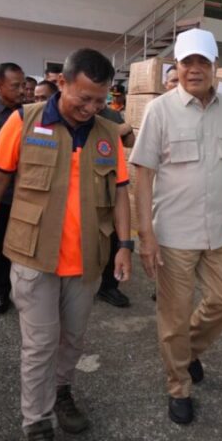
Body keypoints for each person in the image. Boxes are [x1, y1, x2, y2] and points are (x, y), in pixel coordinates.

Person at [0, 48, 132, 441]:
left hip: (87, 258)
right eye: (83, 98)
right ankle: (37, 423)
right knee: (39, 344)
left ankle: (61, 391)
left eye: (100, 100)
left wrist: (125, 246)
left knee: (72, 339)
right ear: (62, 83)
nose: (91, 108)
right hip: (34, 255)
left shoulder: (108, 135)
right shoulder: (23, 121)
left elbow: (121, 194)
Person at [130, 28, 222, 425]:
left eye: (203, 62)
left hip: (218, 230)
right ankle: (178, 384)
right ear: (177, 67)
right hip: (174, 236)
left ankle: (188, 351)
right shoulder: (160, 111)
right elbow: (143, 174)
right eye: (187, 62)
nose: (194, 70)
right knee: (174, 315)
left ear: (215, 67)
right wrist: (144, 234)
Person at [0, 62, 27, 314]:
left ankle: (23, 293)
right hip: (0, 195)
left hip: (26, 195)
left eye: (24, 85)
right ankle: (0, 293)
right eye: (15, 85)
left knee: (24, 248)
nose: (22, 90)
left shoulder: (31, 113)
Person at [94, 95, 135, 308]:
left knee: (112, 240)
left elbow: (130, 142)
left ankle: (109, 287)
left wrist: (126, 129)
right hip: (81, 189)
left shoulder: (111, 114)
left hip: (109, 186)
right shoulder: (74, 113)